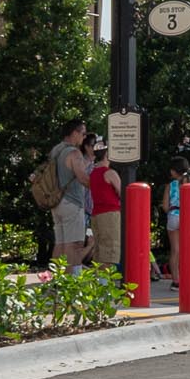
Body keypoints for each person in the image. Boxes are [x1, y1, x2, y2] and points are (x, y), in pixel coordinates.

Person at [47, 117, 91, 271]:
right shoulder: (74, 152)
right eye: (83, 134)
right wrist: (99, 186)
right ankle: (74, 279)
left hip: (56, 201)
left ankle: (56, 278)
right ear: (74, 133)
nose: (84, 138)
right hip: (73, 202)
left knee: (60, 243)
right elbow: (83, 178)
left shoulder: (56, 150)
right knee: (75, 244)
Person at [86, 137, 124, 274]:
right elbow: (123, 193)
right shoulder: (110, 173)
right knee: (110, 250)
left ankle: (100, 282)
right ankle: (105, 283)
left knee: (100, 250)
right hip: (110, 214)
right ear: (107, 154)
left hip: (96, 214)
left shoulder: (93, 173)